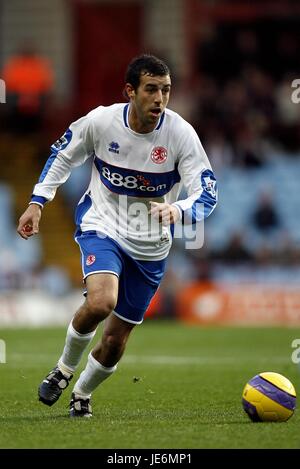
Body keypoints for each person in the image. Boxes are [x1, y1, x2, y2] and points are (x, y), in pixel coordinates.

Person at [17, 54, 217, 418]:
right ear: (130, 91)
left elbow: (207, 191)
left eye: (166, 90)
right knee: (100, 302)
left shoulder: (181, 134)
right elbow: (62, 155)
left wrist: (180, 210)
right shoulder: (101, 121)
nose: (160, 99)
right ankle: (63, 371)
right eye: (152, 89)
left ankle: (82, 392)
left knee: (114, 341)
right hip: (103, 225)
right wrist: (38, 202)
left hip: (151, 245)